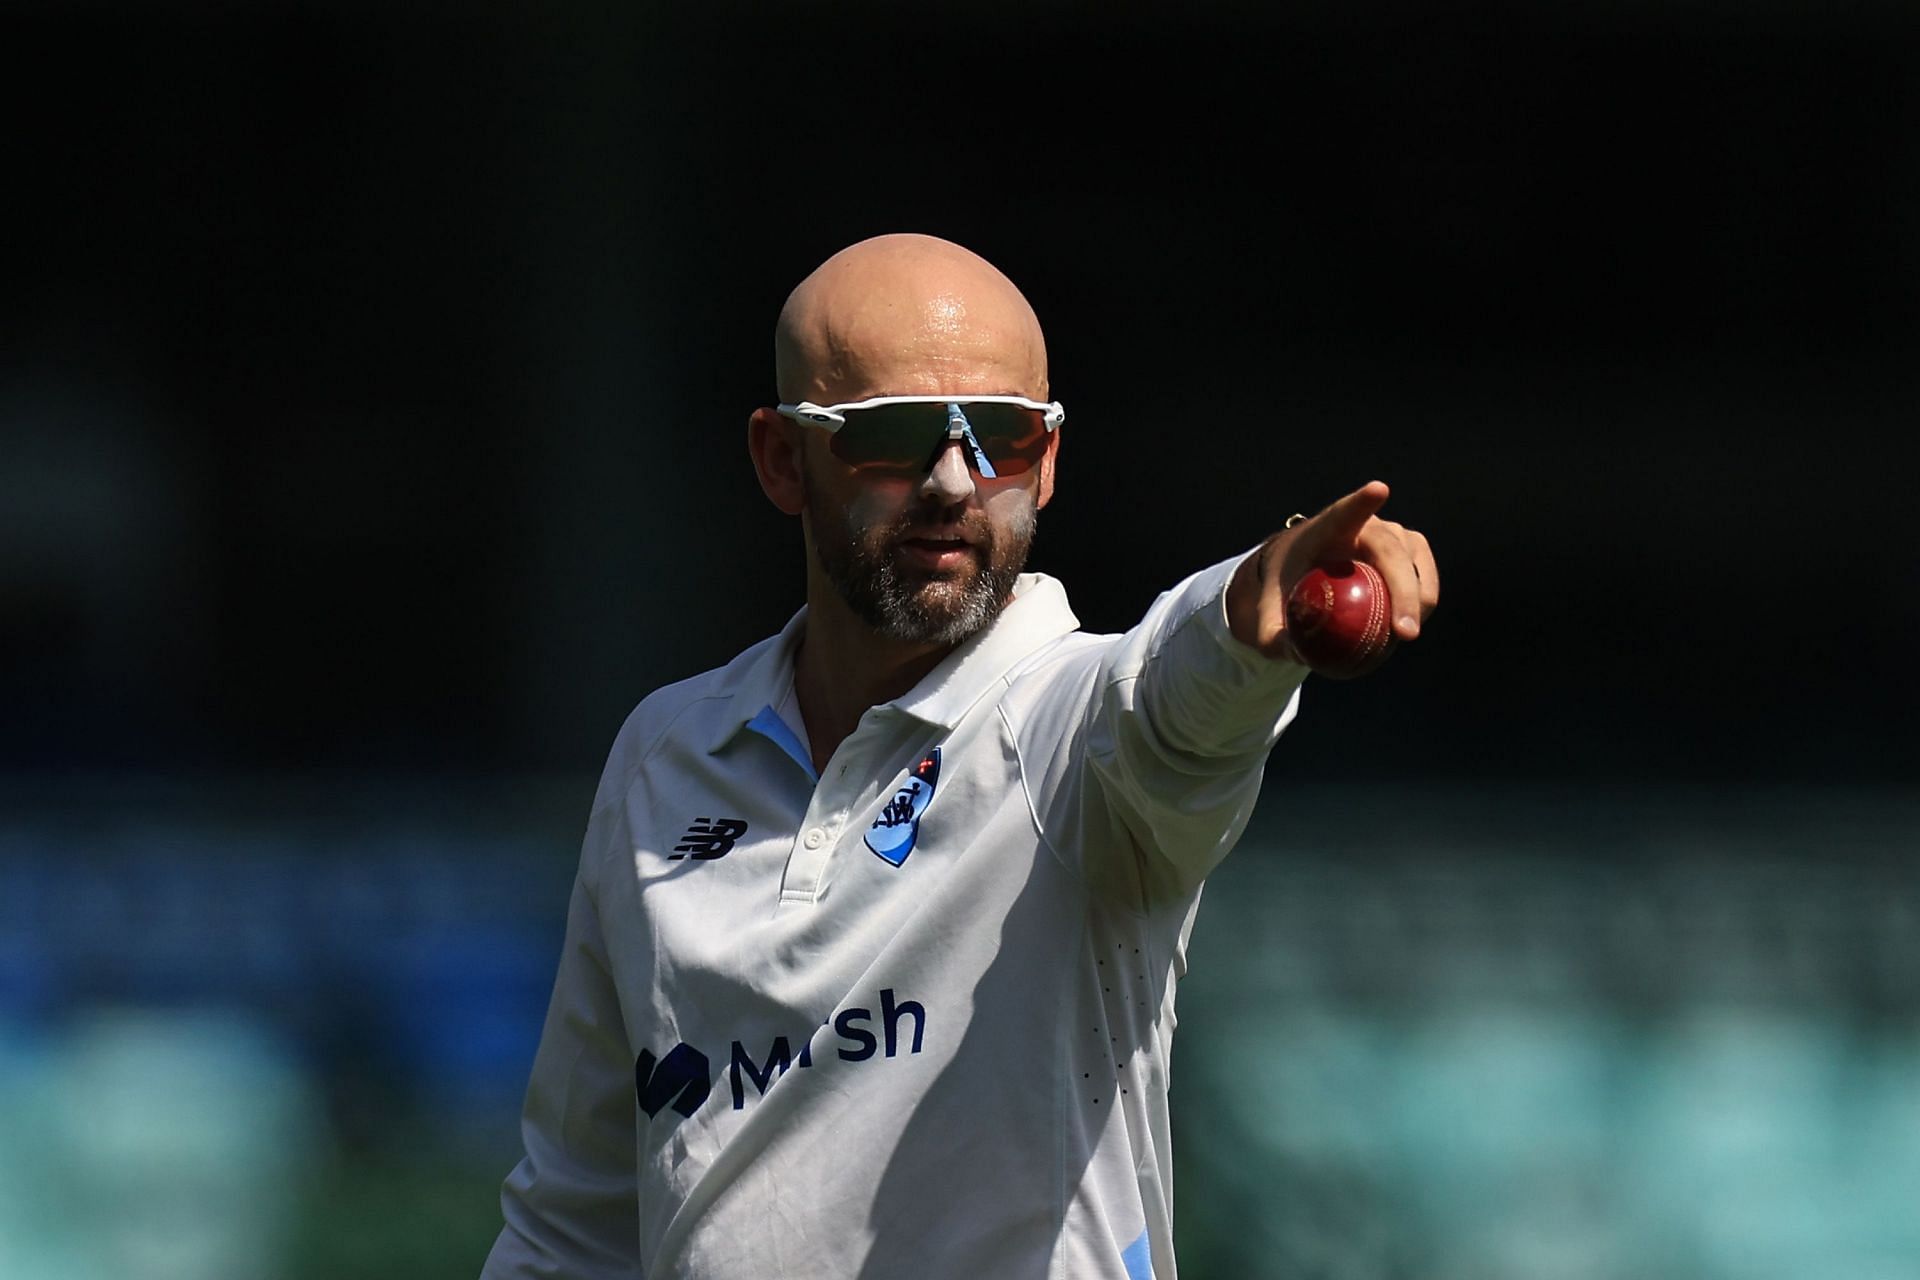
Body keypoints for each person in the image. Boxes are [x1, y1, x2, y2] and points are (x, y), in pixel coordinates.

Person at [481, 233, 1439, 1279]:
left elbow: (1174, 704)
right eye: (891, 435)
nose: (952, 478)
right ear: (779, 457)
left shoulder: (1069, 732)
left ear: (1052, 460)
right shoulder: (664, 753)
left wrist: (1249, 619)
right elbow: (575, 1220)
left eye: (1002, 434)